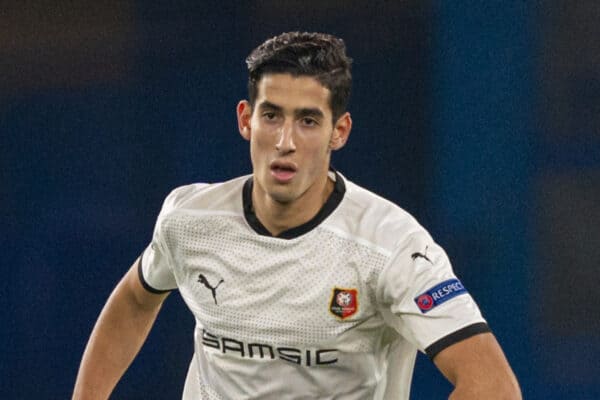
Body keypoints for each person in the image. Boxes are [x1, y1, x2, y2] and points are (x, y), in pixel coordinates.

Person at [72, 32, 521, 400]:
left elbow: (493, 386)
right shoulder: (190, 220)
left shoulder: (391, 246)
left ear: (338, 131)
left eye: (307, 120)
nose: (285, 140)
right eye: (272, 115)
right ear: (245, 120)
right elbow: (135, 298)